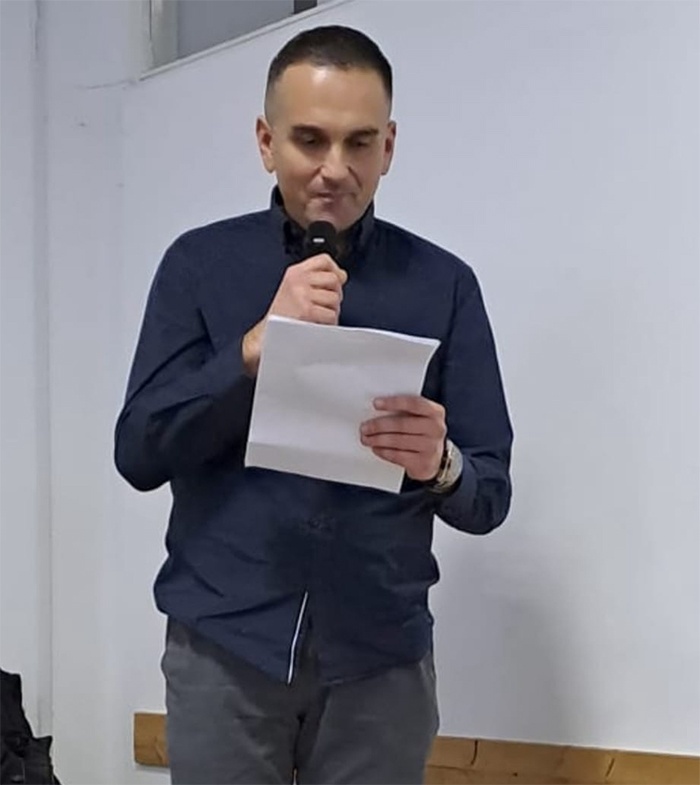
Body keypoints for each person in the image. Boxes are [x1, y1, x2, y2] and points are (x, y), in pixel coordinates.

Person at [115, 24, 513, 785]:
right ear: (266, 143)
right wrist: (249, 352)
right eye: (309, 140)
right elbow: (137, 451)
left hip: (381, 663)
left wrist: (440, 464)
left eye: (359, 142)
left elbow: (488, 492)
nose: (335, 168)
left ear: (388, 147)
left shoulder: (445, 285)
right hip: (224, 648)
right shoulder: (199, 266)